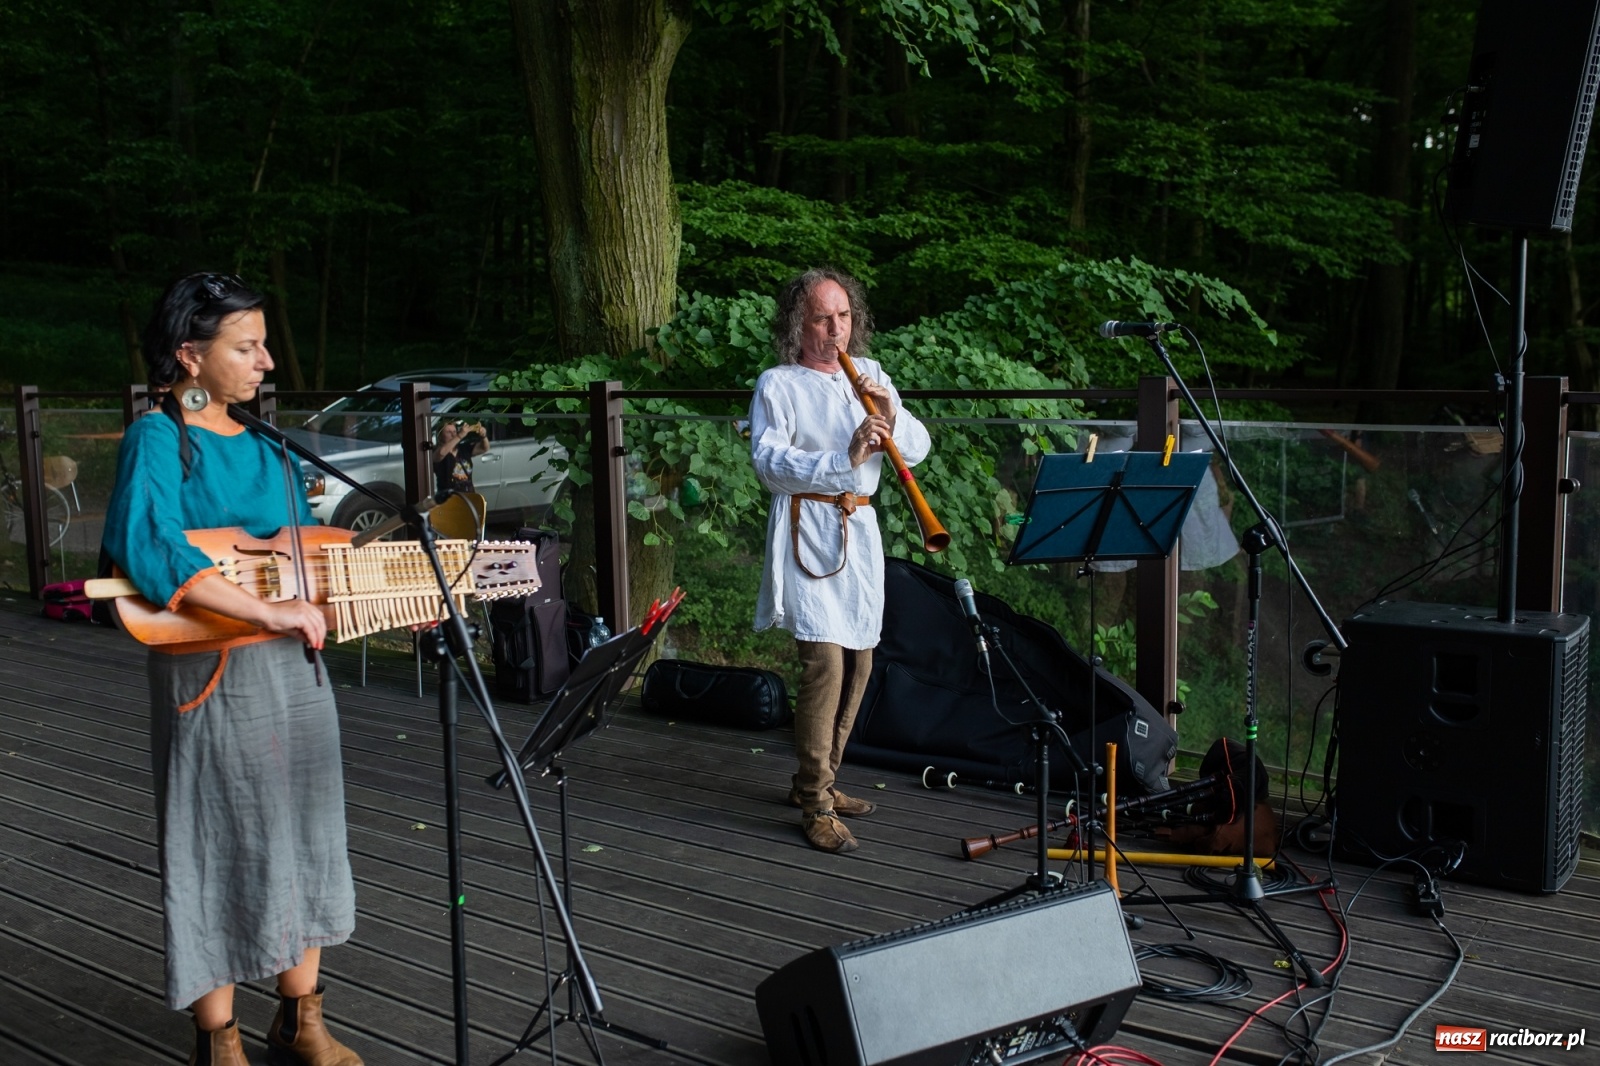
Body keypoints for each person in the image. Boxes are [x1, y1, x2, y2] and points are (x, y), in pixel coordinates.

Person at [103, 274, 362, 1066]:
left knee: (308, 829)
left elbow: (305, 558)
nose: (267, 362)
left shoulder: (268, 444)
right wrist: (264, 612)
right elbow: (151, 546)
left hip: (295, 672)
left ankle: (301, 1017)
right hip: (210, 670)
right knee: (214, 840)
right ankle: (218, 1038)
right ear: (190, 356)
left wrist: (377, 597)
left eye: (264, 346)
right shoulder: (158, 439)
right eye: (246, 348)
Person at [749, 268, 932, 854]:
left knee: (860, 662)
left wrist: (891, 417)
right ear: (797, 324)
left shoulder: (872, 374)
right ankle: (817, 804)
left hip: (861, 530)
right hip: (808, 528)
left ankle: (818, 778)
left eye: (845, 316)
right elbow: (768, 464)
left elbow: (919, 448)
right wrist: (844, 456)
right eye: (823, 318)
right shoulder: (778, 384)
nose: (837, 330)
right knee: (824, 665)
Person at [432, 416, 490, 502]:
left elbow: (484, 448)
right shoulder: (436, 451)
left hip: (468, 497)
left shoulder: (463, 448)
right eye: (448, 432)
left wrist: (483, 436)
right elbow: (441, 453)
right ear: (440, 436)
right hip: (448, 499)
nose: (453, 434)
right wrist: (460, 435)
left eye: (454, 431)